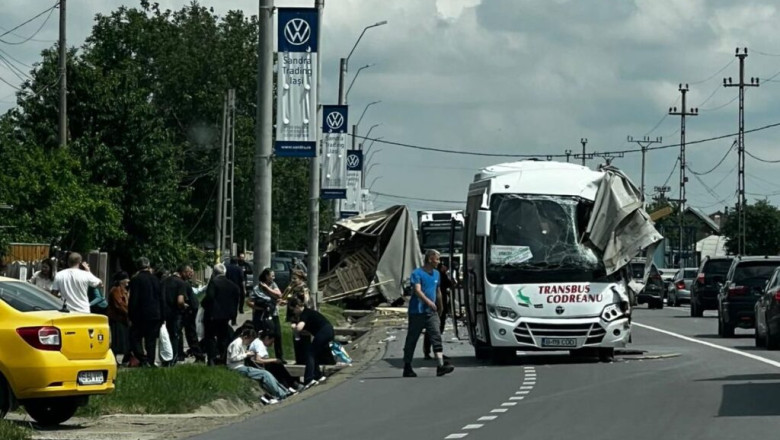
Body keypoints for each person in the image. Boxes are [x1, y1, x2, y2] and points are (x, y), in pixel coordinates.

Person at [402, 249, 454, 378]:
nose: (438, 262)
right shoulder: (417, 273)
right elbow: (417, 291)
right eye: (437, 259)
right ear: (430, 259)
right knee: (412, 339)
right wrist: (429, 302)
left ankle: (440, 366)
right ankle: (407, 366)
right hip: (417, 312)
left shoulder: (436, 274)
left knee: (436, 336)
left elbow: (438, 291)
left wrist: (440, 306)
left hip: (431, 313)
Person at [226, 327, 292, 403]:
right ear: (245, 337)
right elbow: (233, 358)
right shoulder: (237, 343)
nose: (249, 343)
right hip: (236, 367)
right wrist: (246, 355)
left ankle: (284, 392)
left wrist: (247, 353)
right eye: (250, 341)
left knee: (267, 374)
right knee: (265, 374)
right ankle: (280, 394)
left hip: (241, 366)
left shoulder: (242, 343)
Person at [289, 297, 334, 387]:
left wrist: (294, 327)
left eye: (293, 310)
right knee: (316, 353)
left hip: (324, 331)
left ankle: (308, 379)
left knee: (310, 353)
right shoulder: (308, 312)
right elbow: (307, 331)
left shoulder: (304, 313)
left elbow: (299, 328)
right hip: (328, 330)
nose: (293, 312)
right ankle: (318, 375)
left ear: (297, 307)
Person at [127, 257, 164, 368]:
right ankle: (150, 361)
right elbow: (161, 297)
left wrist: (131, 315)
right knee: (151, 340)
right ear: (148, 265)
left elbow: (134, 299)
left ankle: (142, 359)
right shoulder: (156, 279)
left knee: (134, 337)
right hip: (155, 314)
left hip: (141, 315)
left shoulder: (136, 279)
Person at [202, 263, 240, 366]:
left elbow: (209, 297)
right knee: (223, 337)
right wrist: (233, 316)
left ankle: (211, 359)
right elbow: (236, 301)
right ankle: (223, 358)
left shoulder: (214, 283)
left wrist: (203, 304)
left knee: (210, 336)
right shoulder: (233, 285)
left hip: (212, 315)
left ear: (214, 273)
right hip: (225, 316)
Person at [423, 262, 454, 359]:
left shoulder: (434, 275)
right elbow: (451, 284)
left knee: (434, 330)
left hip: (436, 306)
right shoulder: (439, 275)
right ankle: (435, 352)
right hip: (437, 306)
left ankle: (431, 351)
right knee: (435, 330)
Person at [162, 264, 190, 366]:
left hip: (164, 313)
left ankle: (165, 359)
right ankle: (172, 359)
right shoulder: (181, 283)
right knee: (175, 336)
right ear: (182, 272)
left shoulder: (165, 281)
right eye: (187, 273)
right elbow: (180, 301)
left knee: (165, 337)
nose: (189, 275)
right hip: (175, 313)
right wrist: (184, 306)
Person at [256, 268, 285, 363]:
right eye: (272, 275)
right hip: (263, 314)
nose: (273, 277)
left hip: (274, 313)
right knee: (264, 334)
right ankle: (261, 355)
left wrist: (268, 288)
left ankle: (280, 357)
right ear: (266, 276)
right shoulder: (258, 287)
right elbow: (252, 300)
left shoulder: (273, 284)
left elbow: (279, 295)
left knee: (277, 334)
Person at [107, 271, 131, 366]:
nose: (128, 281)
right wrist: (128, 312)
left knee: (123, 340)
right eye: (126, 279)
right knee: (117, 341)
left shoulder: (124, 290)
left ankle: (124, 359)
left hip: (123, 319)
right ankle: (114, 359)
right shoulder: (115, 290)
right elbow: (119, 304)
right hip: (117, 319)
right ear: (121, 281)